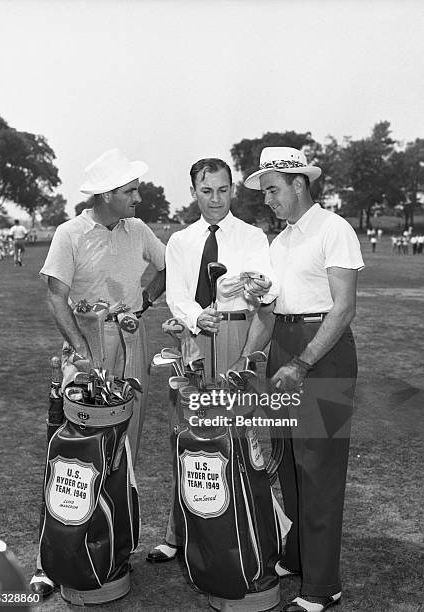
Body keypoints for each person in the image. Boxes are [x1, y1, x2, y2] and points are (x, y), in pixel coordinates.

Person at [231, 147, 364, 612]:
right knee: (286, 464)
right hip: (283, 350)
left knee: (320, 471)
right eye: (265, 191)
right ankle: (299, 555)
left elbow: (343, 308)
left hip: (321, 355)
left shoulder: (335, 230)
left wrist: (302, 363)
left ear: (299, 183)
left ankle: (323, 586)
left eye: (272, 189)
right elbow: (267, 313)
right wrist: (247, 360)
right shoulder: (279, 241)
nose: (267, 199)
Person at [30, 148, 166, 597]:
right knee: (71, 454)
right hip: (84, 349)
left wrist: (143, 303)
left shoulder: (138, 230)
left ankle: (111, 548)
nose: (138, 197)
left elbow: (168, 269)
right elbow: (55, 295)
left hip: (130, 343)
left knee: (124, 451)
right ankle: (49, 562)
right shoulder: (70, 233)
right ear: (107, 195)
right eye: (130, 190)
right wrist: (80, 349)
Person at [146, 157, 275, 563]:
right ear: (194, 193)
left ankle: (246, 525)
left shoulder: (253, 236)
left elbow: (263, 289)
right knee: (189, 432)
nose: (215, 199)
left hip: (240, 332)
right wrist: (194, 316)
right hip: (195, 336)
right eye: (207, 191)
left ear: (233, 189)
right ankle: (178, 533)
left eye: (223, 190)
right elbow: (176, 293)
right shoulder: (182, 240)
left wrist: (252, 289)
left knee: (240, 430)